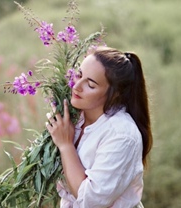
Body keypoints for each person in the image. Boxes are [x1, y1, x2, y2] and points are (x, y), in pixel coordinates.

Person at [46, 46, 153, 208]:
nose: (76, 86)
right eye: (79, 75)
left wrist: (66, 145)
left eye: (90, 84)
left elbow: (90, 201)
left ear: (114, 94)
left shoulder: (122, 135)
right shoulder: (75, 118)